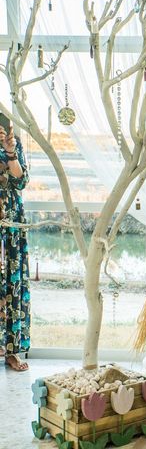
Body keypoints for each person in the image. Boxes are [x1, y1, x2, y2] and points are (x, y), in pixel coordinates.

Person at [0, 113, 30, 371]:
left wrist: (10, 153)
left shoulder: (14, 143)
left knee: (13, 281)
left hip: (10, 220)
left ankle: (11, 351)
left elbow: (21, 181)